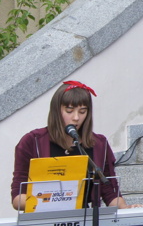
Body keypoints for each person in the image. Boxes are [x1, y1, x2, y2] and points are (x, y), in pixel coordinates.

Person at [12, 81, 135, 211]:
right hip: (43, 216)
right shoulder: (33, 141)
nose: (76, 117)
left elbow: (110, 191)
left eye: (82, 111)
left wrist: (126, 208)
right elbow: (17, 198)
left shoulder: (99, 143)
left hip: (84, 218)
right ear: (56, 111)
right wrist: (50, 201)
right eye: (69, 111)